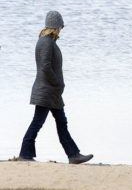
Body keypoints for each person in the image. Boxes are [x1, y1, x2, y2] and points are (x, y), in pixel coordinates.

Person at [18, 11, 93, 164]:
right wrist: (57, 82)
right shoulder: (45, 42)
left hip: (51, 92)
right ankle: (25, 155)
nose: (61, 30)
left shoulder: (47, 41)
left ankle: (73, 155)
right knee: (38, 122)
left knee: (61, 122)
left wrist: (57, 86)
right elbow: (45, 67)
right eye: (60, 27)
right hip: (46, 92)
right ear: (55, 26)